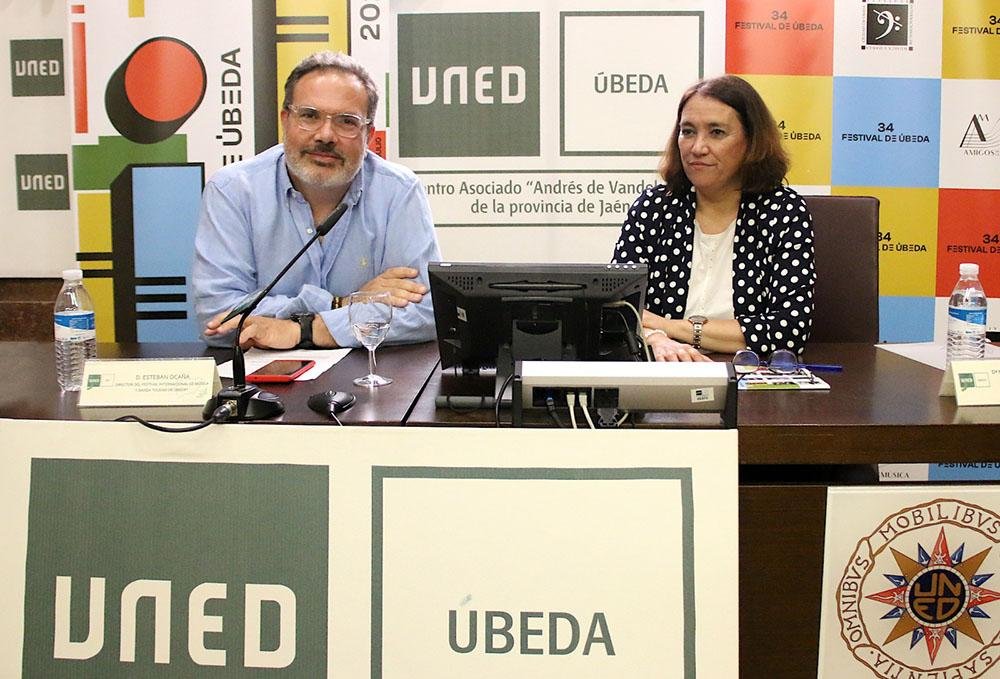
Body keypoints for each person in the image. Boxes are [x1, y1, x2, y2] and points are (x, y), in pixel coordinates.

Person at [192, 51, 441, 349]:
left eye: (346, 122)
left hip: (370, 382)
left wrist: (306, 331)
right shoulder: (233, 189)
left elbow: (428, 312)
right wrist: (342, 303)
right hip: (263, 383)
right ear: (286, 119)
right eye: (309, 116)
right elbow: (219, 316)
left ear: (368, 134)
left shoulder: (398, 191)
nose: (325, 135)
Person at [611, 74, 815, 362]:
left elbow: (788, 331)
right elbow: (619, 309)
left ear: (751, 141)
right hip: (665, 369)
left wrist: (669, 327)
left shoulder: (783, 212)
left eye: (717, 132)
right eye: (688, 131)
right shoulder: (654, 207)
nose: (697, 147)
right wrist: (657, 339)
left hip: (748, 376)